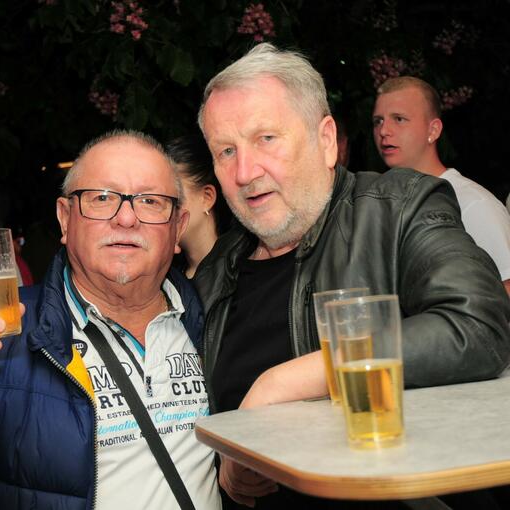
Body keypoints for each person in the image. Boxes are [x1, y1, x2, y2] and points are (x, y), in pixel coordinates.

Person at [194, 43, 510, 509]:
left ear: (326, 140)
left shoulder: (398, 209)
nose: (244, 171)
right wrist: (228, 457)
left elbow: (481, 325)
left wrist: (289, 381)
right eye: (226, 151)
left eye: (266, 139)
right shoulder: (216, 270)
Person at [0, 131, 221, 510]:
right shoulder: (1, 335)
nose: (126, 218)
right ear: (65, 219)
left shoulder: (214, 319)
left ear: (178, 227)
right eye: (101, 198)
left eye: (150, 201)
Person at [372, 76, 510, 295]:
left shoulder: (474, 205)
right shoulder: (377, 205)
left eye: (399, 119)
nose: (384, 130)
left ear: (433, 130)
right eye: (378, 121)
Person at [166, 133, 232, 278]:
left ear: (207, 197)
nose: (163, 208)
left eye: (174, 195)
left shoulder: (239, 271)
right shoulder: (166, 276)